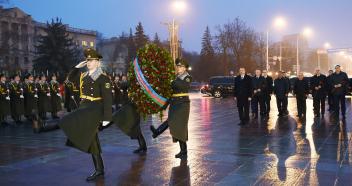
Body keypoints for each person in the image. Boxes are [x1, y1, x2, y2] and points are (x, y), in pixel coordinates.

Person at [57, 48, 112, 181]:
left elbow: (108, 99)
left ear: (97, 62)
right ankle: (100, 169)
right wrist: (76, 67)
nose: (88, 62)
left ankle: (99, 170)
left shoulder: (103, 78)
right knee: (92, 139)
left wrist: (106, 118)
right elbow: (68, 80)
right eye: (87, 60)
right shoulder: (83, 76)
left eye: (91, 60)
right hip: (84, 108)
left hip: (95, 110)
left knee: (90, 137)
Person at [150, 58, 192, 159]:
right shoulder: (176, 78)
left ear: (185, 68)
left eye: (180, 66)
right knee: (176, 125)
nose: (178, 68)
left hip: (183, 105)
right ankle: (183, 151)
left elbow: (182, 86)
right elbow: (171, 93)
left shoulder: (187, 77)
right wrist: (164, 105)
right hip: (175, 103)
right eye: (177, 66)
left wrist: (170, 82)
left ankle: (158, 131)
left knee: (178, 126)